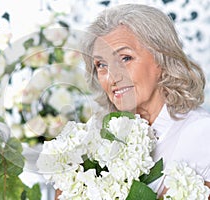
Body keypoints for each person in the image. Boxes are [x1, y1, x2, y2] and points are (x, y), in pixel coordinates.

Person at [55, 3, 210, 199]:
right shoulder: (97, 133)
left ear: (162, 60)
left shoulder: (201, 133)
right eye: (101, 65)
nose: (112, 78)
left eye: (125, 58)